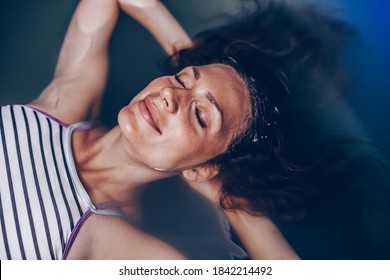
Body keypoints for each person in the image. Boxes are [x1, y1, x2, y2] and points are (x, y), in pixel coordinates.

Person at [1, 0, 377, 260]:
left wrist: (233, 198)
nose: (168, 95)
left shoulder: (112, 245)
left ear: (202, 169)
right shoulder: (63, 105)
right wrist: (187, 54)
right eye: (181, 79)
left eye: (201, 116)